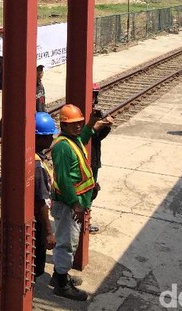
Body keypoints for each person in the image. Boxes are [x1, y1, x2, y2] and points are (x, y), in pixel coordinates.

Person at [50, 104, 109, 301]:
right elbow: (64, 179)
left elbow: (83, 139)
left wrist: (91, 123)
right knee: (67, 243)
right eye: (72, 124)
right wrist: (75, 202)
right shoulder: (62, 147)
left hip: (74, 202)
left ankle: (60, 275)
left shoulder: (72, 141)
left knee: (69, 241)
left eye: (78, 123)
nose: (77, 127)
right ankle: (60, 284)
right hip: (68, 204)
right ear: (63, 125)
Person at [33, 112, 58, 280]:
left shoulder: (33, 157)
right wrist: (49, 231)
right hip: (37, 223)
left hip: (35, 219)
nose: (51, 140)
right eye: (48, 136)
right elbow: (40, 200)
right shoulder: (37, 166)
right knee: (35, 263)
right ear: (38, 138)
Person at [88, 83, 114, 234]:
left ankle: (87, 218)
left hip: (95, 157)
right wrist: (98, 126)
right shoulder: (80, 112)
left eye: (94, 94)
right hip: (86, 159)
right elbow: (85, 135)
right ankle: (82, 221)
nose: (93, 97)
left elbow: (97, 138)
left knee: (92, 191)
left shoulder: (96, 112)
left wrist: (106, 127)